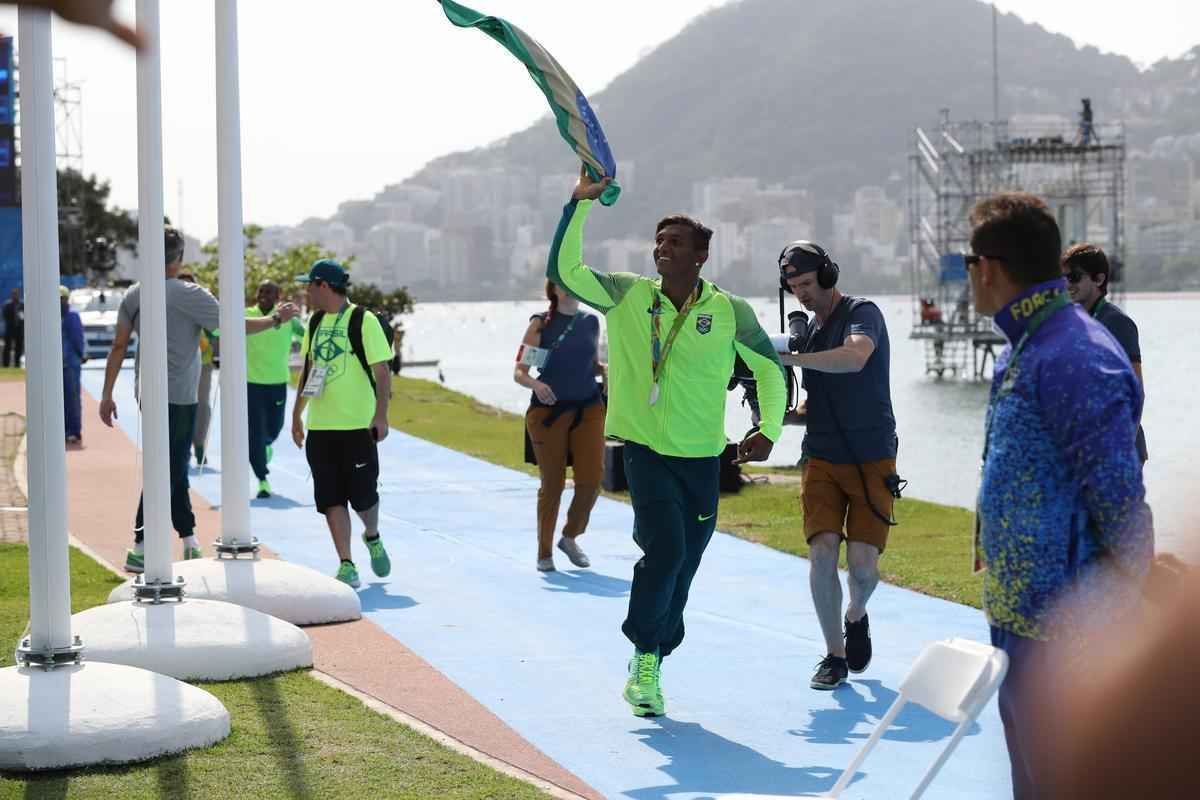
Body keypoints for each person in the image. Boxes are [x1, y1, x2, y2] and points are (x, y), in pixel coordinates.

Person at [551, 169, 786, 717]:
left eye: (676, 242)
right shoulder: (628, 295)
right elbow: (564, 269)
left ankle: (655, 652)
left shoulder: (729, 310)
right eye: (659, 240)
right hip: (646, 451)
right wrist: (579, 204)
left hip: (703, 458)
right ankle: (644, 657)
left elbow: (769, 370)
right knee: (666, 551)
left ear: (700, 256)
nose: (662, 248)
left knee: (685, 567)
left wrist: (768, 429)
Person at [967, 192, 1152, 798]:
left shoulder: (1075, 355)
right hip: (1019, 614)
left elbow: (1122, 501)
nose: (969, 275)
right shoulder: (1025, 344)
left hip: (1066, 629)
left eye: (969, 262)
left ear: (989, 268)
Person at [99, 226, 298, 572]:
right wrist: (276, 319)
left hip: (148, 394)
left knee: (166, 466)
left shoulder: (134, 294)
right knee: (172, 468)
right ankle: (154, 544)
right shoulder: (192, 294)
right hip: (179, 397)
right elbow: (235, 326)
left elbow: (118, 346)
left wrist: (106, 394)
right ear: (179, 258)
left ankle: (173, 543)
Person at [775, 241, 899, 691]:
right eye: (793, 287)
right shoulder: (805, 332)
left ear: (828, 275)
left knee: (863, 569)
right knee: (822, 551)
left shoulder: (863, 312)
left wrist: (790, 359)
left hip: (872, 454)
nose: (802, 294)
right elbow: (814, 400)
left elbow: (855, 357)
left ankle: (856, 614)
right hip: (822, 455)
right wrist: (773, 415)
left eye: (806, 283)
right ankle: (834, 654)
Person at [290, 259, 393, 589]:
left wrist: (380, 415)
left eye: (310, 284)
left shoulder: (364, 321)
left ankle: (372, 536)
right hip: (321, 427)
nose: (306, 291)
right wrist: (296, 414)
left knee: (363, 497)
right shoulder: (315, 321)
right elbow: (309, 370)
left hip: (357, 426)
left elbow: (382, 372)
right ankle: (346, 563)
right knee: (331, 497)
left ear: (323, 286)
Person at [513, 279, 606, 572]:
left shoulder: (591, 322)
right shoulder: (542, 325)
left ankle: (570, 537)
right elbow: (520, 372)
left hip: (589, 408)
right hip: (549, 413)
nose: (569, 287)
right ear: (552, 289)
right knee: (552, 485)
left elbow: (590, 365)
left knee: (591, 481)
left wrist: (608, 372)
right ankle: (544, 552)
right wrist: (536, 385)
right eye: (562, 282)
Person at [1062, 243, 1147, 463]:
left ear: (1099, 280)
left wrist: (1121, 451)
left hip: (1118, 450)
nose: (1067, 284)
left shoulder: (1116, 322)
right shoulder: (1078, 322)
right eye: (1063, 278)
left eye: (1074, 277)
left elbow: (1136, 392)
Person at [245, 280, 305, 498]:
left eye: (269, 292)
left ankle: (265, 445)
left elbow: (306, 336)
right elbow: (220, 332)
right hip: (250, 384)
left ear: (278, 295)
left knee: (274, 428)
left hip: (278, 382)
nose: (264, 295)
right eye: (261, 291)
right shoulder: (246, 314)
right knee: (254, 435)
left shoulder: (288, 318)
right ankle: (262, 479)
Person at [60, 285, 85, 444]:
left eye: (61, 299)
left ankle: (74, 431)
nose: (59, 302)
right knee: (59, 399)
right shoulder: (52, 316)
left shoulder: (72, 316)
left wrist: (80, 355)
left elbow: (77, 338)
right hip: (58, 365)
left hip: (70, 364)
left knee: (72, 397)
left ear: (66, 299)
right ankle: (62, 429)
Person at [2, 287, 22, 368]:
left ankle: (17, 364)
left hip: (19, 330)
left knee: (18, 348)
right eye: (14, 294)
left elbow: (24, 317)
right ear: (12, 295)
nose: (15, 296)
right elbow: (4, 315)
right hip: (10, 329)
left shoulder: (22, 305)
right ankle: (5, 365)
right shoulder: (7, 305)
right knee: (7, 348)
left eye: (16, 294)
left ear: (18, 295)